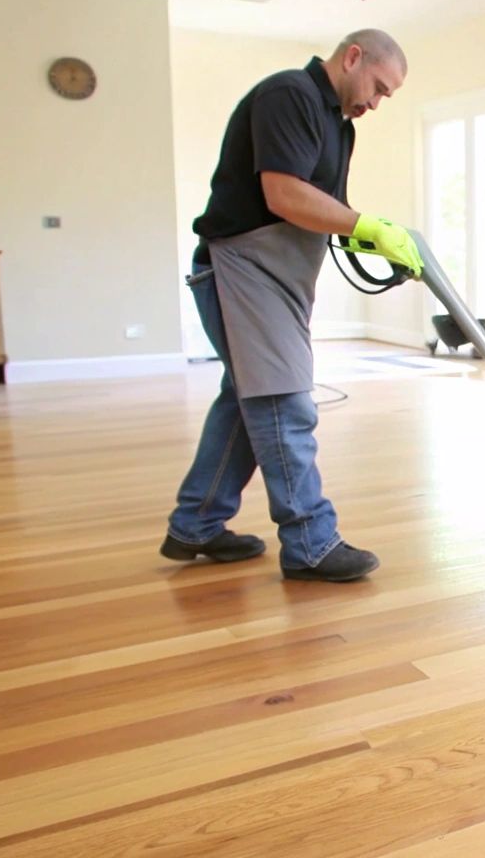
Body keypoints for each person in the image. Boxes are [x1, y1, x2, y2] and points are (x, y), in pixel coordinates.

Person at [161, 29, 424, 582]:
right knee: (282, 402)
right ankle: (310, 541)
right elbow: (283, 194)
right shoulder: (290, 96)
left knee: (246, 398)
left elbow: (325, 206)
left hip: (276, 274)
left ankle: (196, 524)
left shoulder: (338, 124)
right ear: (353, 57)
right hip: (241, 268)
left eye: (386, 97)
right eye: (377, 87)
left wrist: (370, 235)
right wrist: (363, 223)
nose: (375, 103)